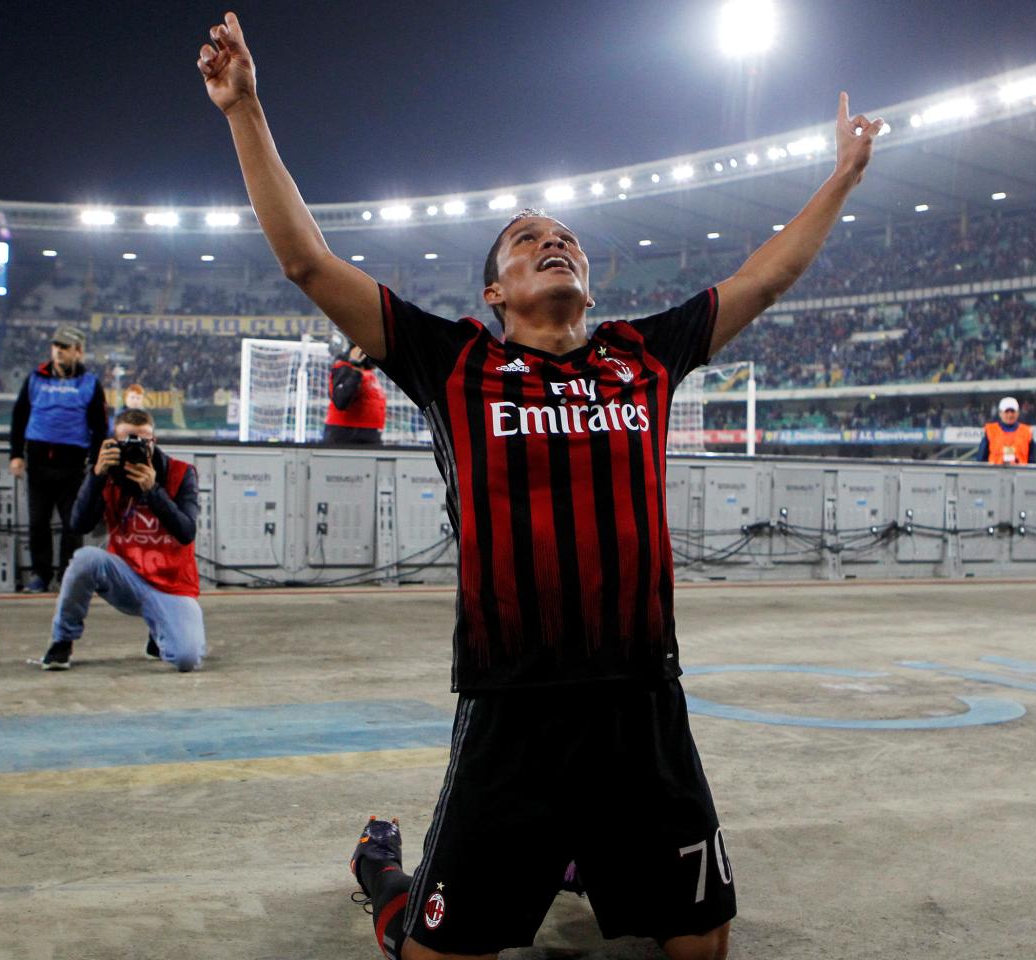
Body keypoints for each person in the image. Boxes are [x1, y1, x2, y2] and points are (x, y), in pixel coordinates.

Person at [199, 13, 880, 959]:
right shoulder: (452, 364)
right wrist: (246, 110)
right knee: (434, 954)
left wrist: (842, 175)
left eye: (564, 239)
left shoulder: (645, 354)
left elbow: (766, 279)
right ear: (495, 294)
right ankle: (384, 870)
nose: (551, 242)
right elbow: (307, 262)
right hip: (513, 701)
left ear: (591, 289)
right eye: (526, 241)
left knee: (701, 951)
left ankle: (575, 853)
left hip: (641, 697)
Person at [36, 408, 205, 672]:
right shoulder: (109, 474)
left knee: (186, 659)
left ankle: (159, 631)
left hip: (171, 584)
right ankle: (62, 641)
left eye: (143, 441)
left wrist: (153, 491)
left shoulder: (181, 473)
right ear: (113, 443)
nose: (136, 448)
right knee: (85, 559)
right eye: (128, 441)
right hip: (126, 576)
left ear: (154, 442)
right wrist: (96, 475)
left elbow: (186, 532)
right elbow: (79, 524)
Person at [8, 325, 109, 593]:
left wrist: (97, 462)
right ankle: (40, 575)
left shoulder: (89, 383)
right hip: (39, 462)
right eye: (56, 346)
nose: (58, 351)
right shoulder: (35, 378)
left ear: (78, 351)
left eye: (64, 347)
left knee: (71, 524)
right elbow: (19, 418)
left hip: (73, 463)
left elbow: (100, 426)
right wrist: (16, 454)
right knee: (37, 522)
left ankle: (67, 574)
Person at [324, 344, 385, 444]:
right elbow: (341, 400)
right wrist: (356, 371)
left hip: (367, 432)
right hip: (346, 433)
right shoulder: (345, 368)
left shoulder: (365, 372)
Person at [975, 396, 1036, 465]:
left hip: (1021, 474)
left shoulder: (1026, 432)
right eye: (1006, 411)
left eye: (1012, 411)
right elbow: (981, 460)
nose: (1010, 415)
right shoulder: (990, 431)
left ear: (1018, 413)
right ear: (1000, 413)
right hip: (995, 474)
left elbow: (1033, 462)